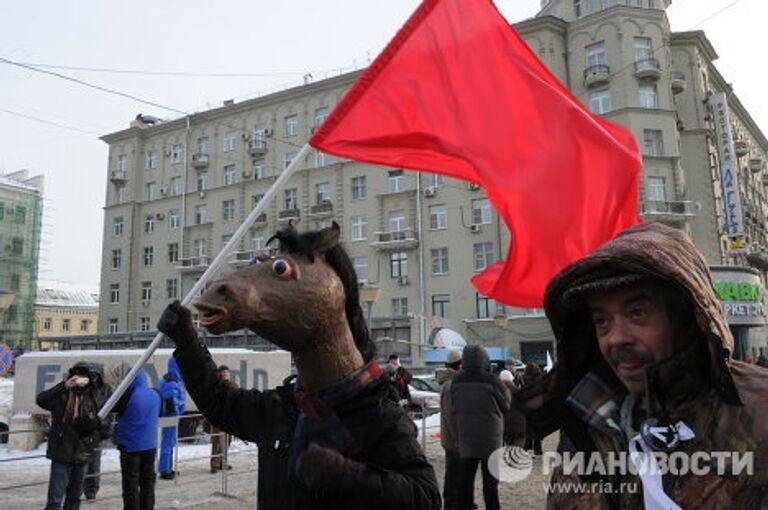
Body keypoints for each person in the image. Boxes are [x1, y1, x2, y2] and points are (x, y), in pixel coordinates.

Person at [523, 222, 768, 508]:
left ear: (688, 318)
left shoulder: (758, 411)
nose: (616, 338)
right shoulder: (588, 419)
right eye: (601, 320)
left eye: (637, 313)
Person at [37, 361, 110, 510]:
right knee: (55, 499)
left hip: (83, 453)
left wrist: (92, 437)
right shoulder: (62, 394)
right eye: (78, 376)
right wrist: (65, 385)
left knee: (74, 499)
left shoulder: (94, 396)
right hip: (62, 452)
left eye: (85, 376)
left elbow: (104, 425)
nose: (81, 380)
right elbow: (41, 400)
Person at [451, 345, 510, 510]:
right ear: (485, 359)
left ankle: (465, 507)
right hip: (490, 438)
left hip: (466, 436)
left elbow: (454, 405)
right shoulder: (492, 379)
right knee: (490, 482)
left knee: (466, 481)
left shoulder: (457, 381)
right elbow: (506, 405)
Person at [109, 364, 162, 510]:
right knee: (148, 481)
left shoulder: (127, 395)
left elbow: (109, 407)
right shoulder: (156, 393)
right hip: (150, 444)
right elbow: (160, 412)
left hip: (130, 445)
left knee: (130, 482)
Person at [437, 349, 463, 510]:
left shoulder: (451, 383)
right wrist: (458, 440)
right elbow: (451, 415)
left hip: (453, 440)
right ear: (459, 366)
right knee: (453, 476)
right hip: (454, 441)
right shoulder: (450, 385)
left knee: (456, 475)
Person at [81, 364, 111, 500]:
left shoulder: (105, 389)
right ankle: (76, 488)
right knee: (78, 460)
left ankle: (91, 489)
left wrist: (104, 426)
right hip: (81, 429)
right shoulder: (81, 388)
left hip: (97, 430)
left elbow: (110, 408)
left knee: (94, 462)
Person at [157, 357, 185, 480]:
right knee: (167, 443)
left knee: (170, 442)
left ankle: (168, 467)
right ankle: (164, 470)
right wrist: (176, 412)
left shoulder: (173, 379)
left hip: (172, 416)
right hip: (170, 417)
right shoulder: (171, 381)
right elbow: (171, 401)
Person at [210, 365, 238, 473]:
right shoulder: (217, 385)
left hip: (229, 417)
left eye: (227, 372)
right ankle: (214, 464)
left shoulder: (233, 385)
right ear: (220, 374)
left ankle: (223, 463)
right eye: (223, 372)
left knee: (227, 441)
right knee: (218, 441)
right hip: (218, 417)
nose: (226, 374)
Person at [499, 370, 526, 448]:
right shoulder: (519, 392)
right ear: (512, 379)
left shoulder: (499, 392)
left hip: (504, 425)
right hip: (519, 424)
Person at [522, 362, 543, 456]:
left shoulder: (525, 379)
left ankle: (528, 449)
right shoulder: (541, 379)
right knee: (538, 429)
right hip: (538, 406)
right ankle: (538, 449)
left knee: (528, 430)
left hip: (527, 406)